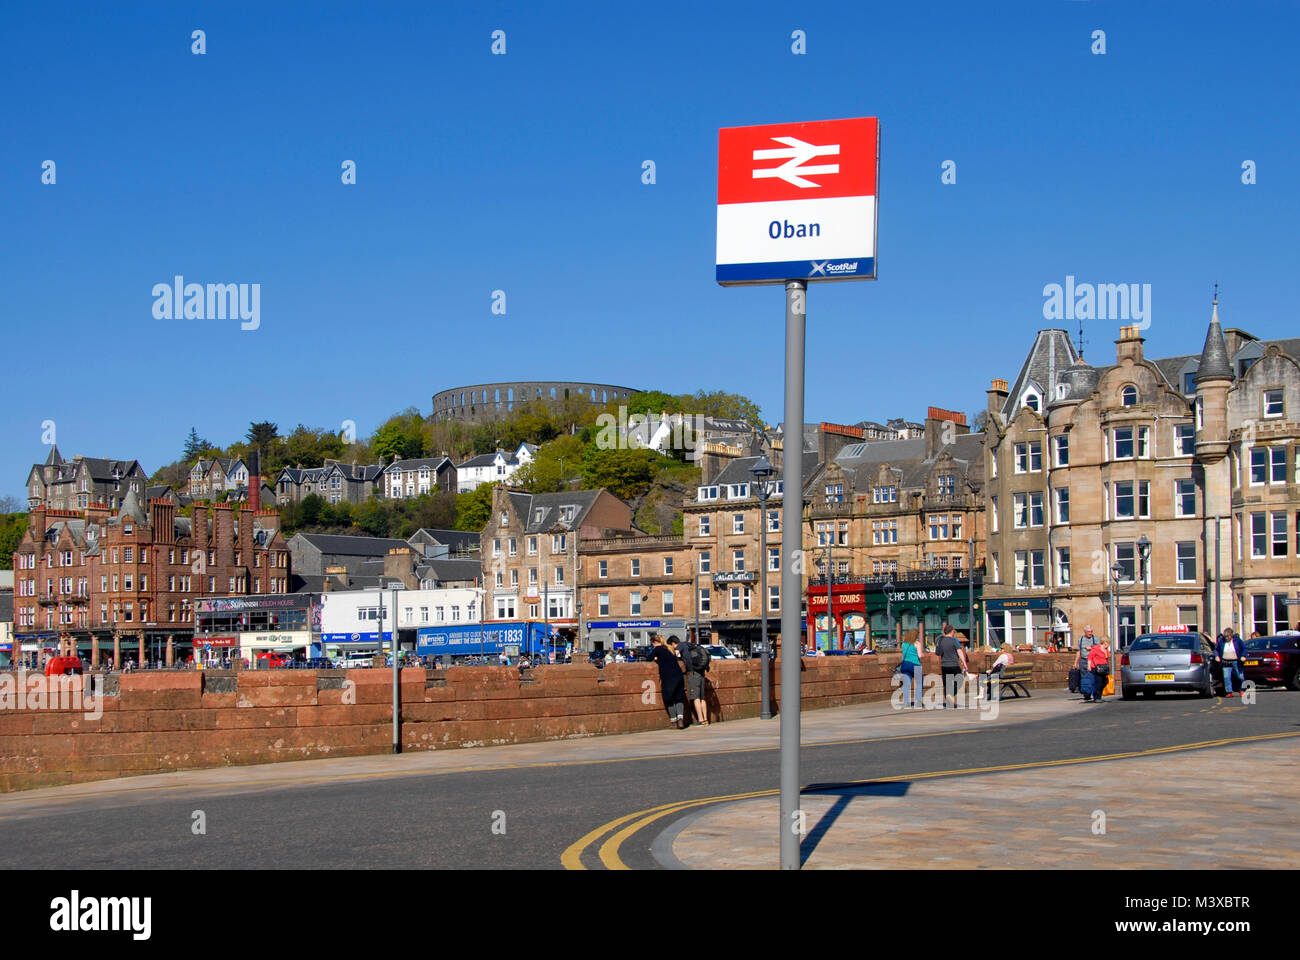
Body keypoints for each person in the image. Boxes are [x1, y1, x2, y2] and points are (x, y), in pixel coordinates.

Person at [652, 635, 687, 729]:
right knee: (679, 698)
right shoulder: (670, 648)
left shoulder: (658, 649)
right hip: (678, 675)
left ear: (655, 642)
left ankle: (674, 721)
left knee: (669, 699)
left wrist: (656, 659)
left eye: (653, 644)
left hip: (668, 677)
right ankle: (681, 720)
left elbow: (648, 657)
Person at [681, 628, 712, 726]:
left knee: (696, 698)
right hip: (702, 674)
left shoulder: (686, 649)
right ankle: (706, 719)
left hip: (694, 675)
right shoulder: (698, 648)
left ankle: (701, 719)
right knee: (702, 698)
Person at [935, 623, 968, 708]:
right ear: (951, 631)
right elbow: (960, 652)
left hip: (944, 665)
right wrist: (964, 663)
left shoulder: (940, 641)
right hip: (954, 665)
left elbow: (938, 654)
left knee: (947, 684)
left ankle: (948, 701)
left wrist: (940, 663)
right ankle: (951, 694)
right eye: (954, 631)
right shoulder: (954, 640)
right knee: (960, 680)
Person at [1216, 627, 1245, 698]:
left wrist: (1243, 656)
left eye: (1228, 636)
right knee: (1226, 677)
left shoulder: (1237, 640)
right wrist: (1216, 656)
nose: (1226, 638)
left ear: (1231, 636)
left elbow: (1244, 648)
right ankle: (1229, 692)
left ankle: (1241, 690)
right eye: (1225, 636)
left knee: (1239, 676)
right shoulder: (1221, 641)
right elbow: (1216, 649)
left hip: (1236, 661)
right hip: (1225, 661)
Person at [897, 632, 923, 709]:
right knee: (919, 683)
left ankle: (906, 702)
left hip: (905, 665)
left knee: (907, 684)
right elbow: (920, 655)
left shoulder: (904, 644)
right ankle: (918, 702)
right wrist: (923, 654)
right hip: (915, 664)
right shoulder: (917, 643)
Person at [1074, 626, 1099, 702]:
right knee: (1084, 677)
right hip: (1083, 660)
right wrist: (1076, 663)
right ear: (1085, 632)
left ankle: (1095, 694)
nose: (1090, 633)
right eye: (1088, 632)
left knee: (1093, 677)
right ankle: (1086, 694)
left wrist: (1091, 648)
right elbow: (1079, 652)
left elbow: (1099, 648)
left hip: (1093, 661)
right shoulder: (1081, 640)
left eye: (1091, 631)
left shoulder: (1096, 639)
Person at [1086, 637, 1111, 703]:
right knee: (1098, 682)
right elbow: (1090, 657)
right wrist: (1089, 666)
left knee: (1104, 682)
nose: (1109, 645)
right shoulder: (1096, 649)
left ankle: (1098, 696)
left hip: (1104, 668)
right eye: (1108, 643)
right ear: (1105, 643)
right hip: (1096, 668)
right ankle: (1097, 697)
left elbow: (1107, 659)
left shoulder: (1106, 650)